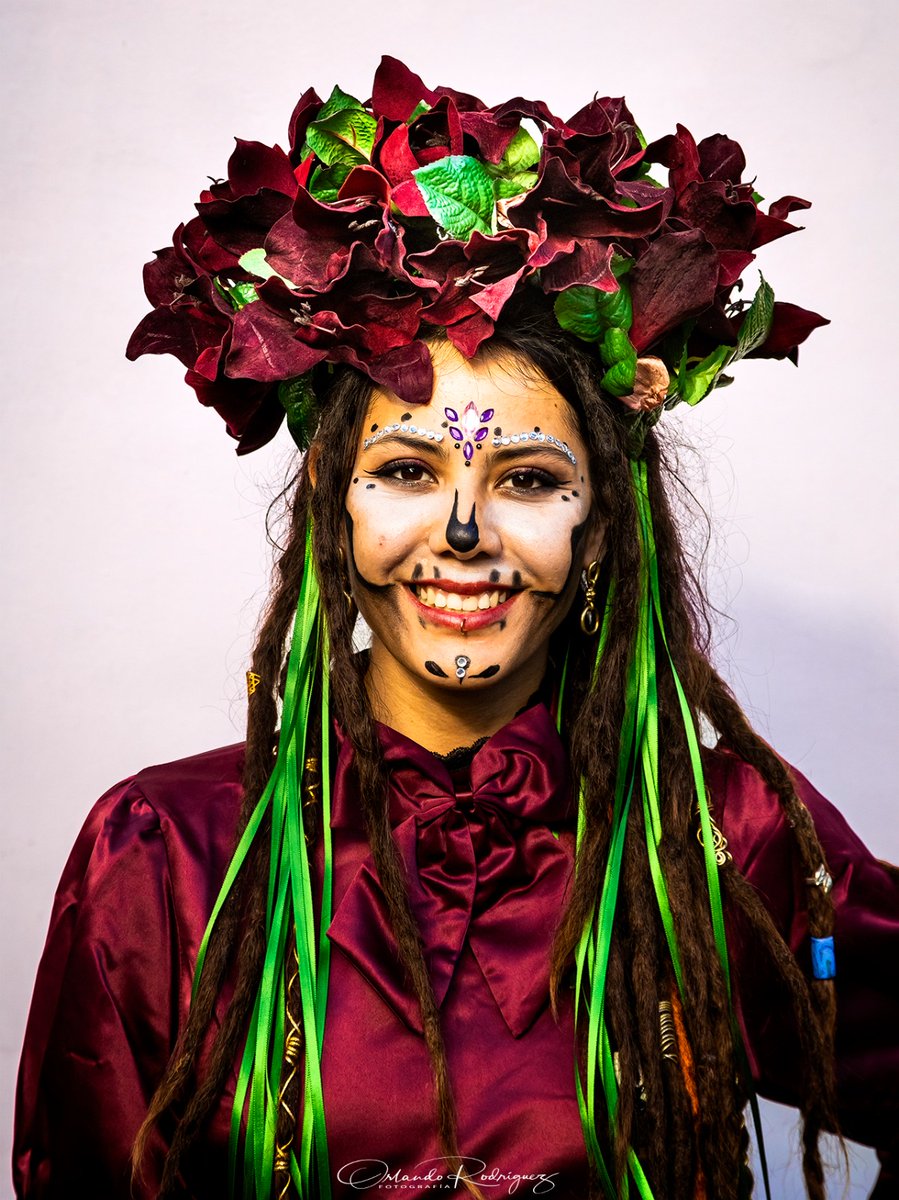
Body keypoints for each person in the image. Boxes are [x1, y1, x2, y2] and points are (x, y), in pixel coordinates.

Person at [12, 56, 899, 1200]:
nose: (465, 530)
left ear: (598, 532)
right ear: (334, 508)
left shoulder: (719, 835)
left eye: (527, 479)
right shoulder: (167, 852)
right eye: (406, 470)